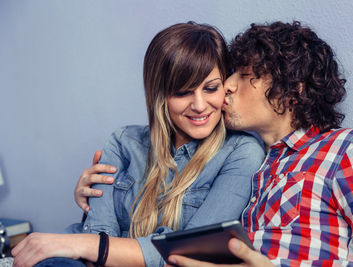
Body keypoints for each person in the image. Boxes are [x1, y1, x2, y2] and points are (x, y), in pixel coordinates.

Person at [78, 21, 353, 266]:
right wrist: (96, 196)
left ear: (293, 91)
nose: (227, 87)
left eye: (245, 75)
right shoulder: (257, 169)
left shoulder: (349, 150)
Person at [10, 22, 265, 267]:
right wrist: (85, 245)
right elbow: (97, 233)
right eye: (182, 92)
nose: (199, 105)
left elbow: (188, 255)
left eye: (210, 88)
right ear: (159, 94)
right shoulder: (123, 142)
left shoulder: (241, 153)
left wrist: (86, 245)